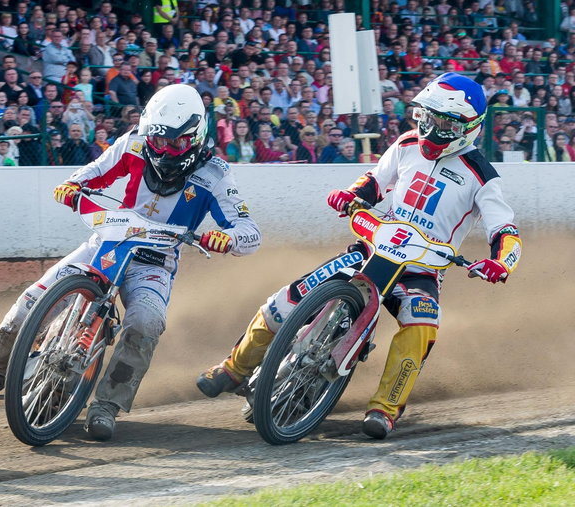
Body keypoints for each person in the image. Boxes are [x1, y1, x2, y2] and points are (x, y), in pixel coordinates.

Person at [196, 73, 521, 440]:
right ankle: (232, 368)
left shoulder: (483, 176)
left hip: (422, 270)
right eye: (426, 117)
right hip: (373, 246)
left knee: (421, 329)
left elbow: (505, 231)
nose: (429, 127)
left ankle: (385, 408)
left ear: (467, 126)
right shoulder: (406, 143)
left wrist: (499, 262)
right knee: (285, 300)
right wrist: (349, 196)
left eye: (442, 121)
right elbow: (373, 182)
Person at [0, 84, 262, 440]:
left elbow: (250, 230)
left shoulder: (216, 173)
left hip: (155, 261)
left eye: (175, 142)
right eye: (157, 140)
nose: (164, 149)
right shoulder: (133, 143)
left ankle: (107, 404)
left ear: (195, 135)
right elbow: (92, 173)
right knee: (31, 298)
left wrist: (228, 238)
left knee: (146, 322)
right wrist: (72, 185)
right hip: (108, 240)